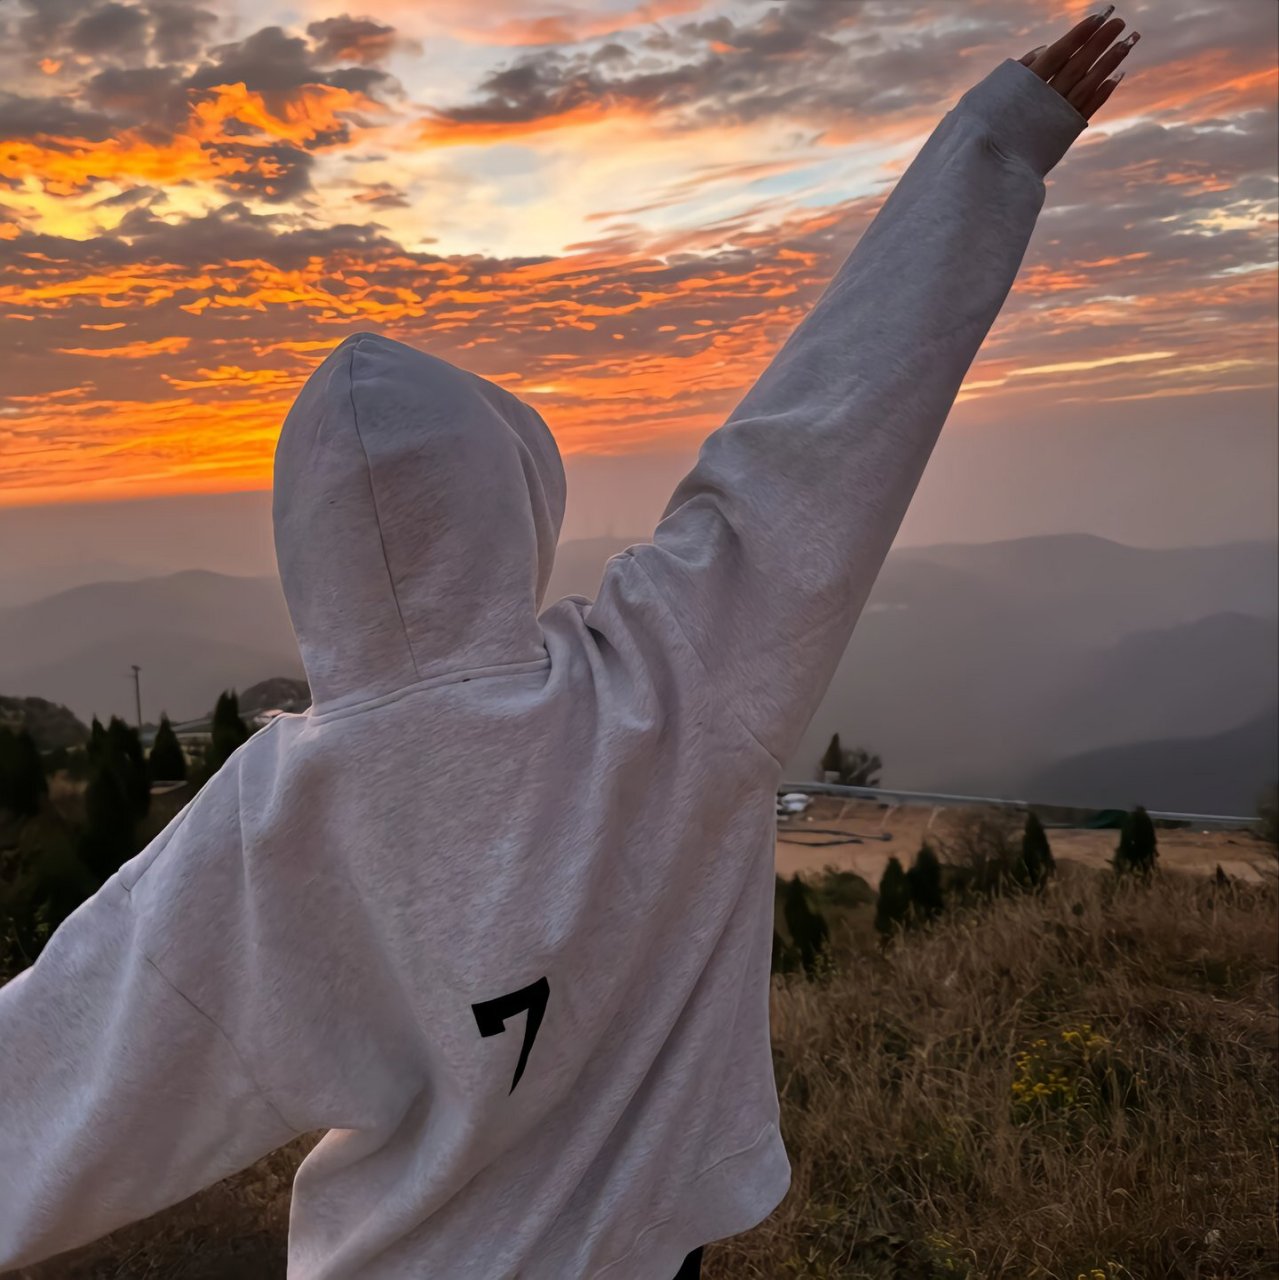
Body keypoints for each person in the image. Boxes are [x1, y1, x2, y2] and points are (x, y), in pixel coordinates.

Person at [0, 11, 1136, 1278]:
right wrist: (993, 142)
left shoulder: (267, 822)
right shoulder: (666, 680)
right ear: (510, 504)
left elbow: (48, 1070)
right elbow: (822, 439)